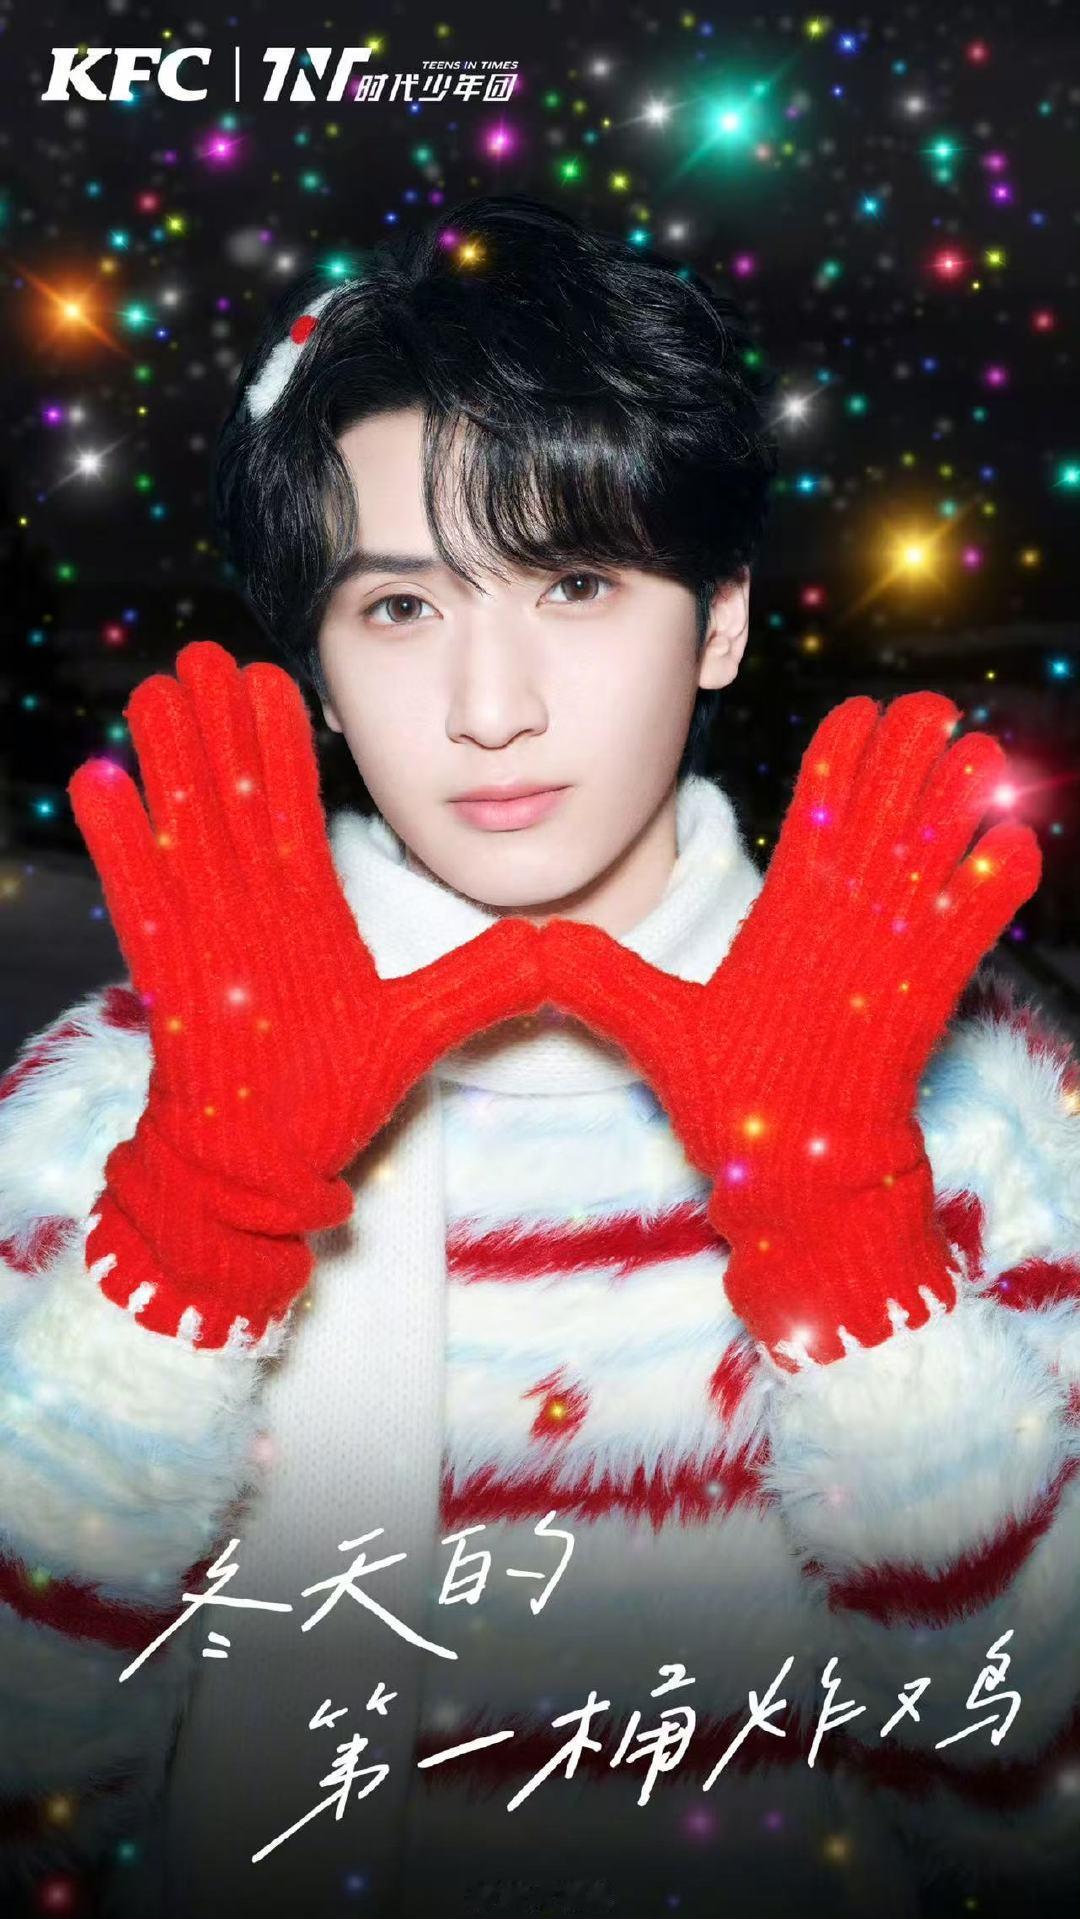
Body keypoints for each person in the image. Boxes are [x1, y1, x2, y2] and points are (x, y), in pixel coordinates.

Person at [0, 193, 1078, 1919]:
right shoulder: (110, 1104)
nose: (489, 706)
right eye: (400, 608)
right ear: (319, 669)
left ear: (718, 619)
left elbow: (1035, 1818)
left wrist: (858, 1262)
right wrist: (183, 1245)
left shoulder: (984, 1103)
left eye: (576, 582)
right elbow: (29, 1799)